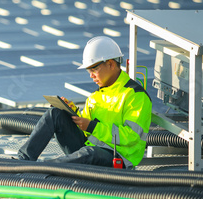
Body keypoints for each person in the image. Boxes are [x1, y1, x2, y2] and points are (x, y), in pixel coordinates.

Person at [17, 36, 152, 169]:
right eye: (89, 70)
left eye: (94, 69)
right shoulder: (95, 96)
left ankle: (41, 168)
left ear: (110, 64)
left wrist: (91, 126)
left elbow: (131, 137)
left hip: (119, 157)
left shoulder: (136, 96)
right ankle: (22, 161)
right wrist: (72, 113)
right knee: (55, 113)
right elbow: (87, 129)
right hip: (90, 149)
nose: (91, 75)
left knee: (89, 153)